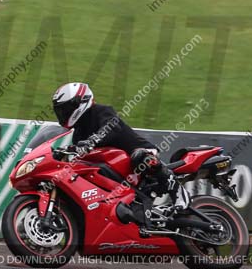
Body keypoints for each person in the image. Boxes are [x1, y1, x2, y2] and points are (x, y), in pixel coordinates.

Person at [51, 82, 188, 215]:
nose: (63, 114)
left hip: (140, 152)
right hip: (116, 169)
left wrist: (92, 141)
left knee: (140, 157)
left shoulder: (102, 111)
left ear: (79, 103)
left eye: (66, 109)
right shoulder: (78, 133)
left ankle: (177, 190)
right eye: (61, 111)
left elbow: (110, 129)